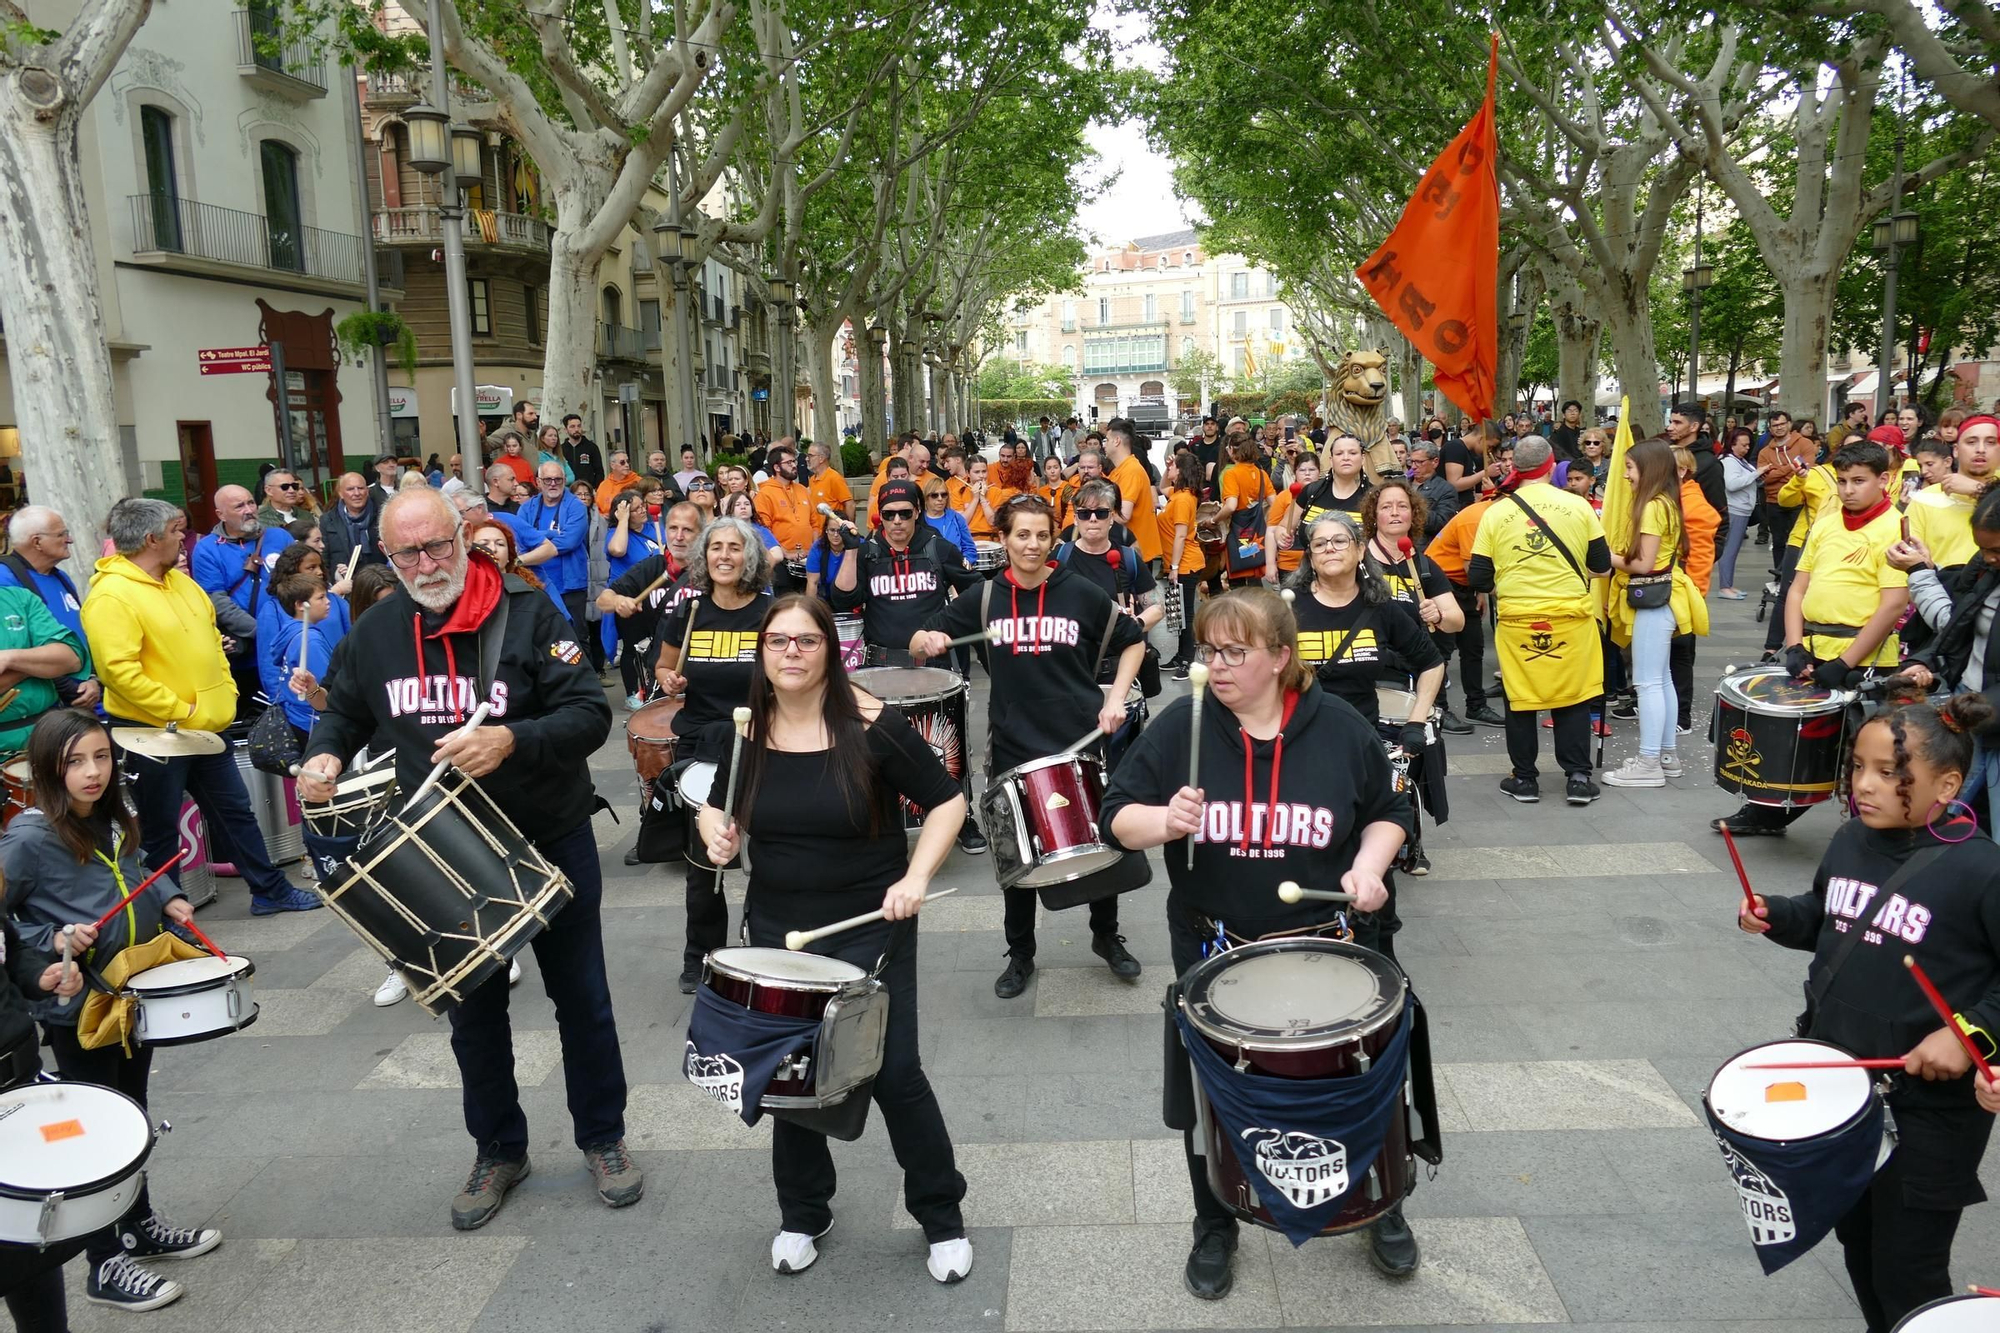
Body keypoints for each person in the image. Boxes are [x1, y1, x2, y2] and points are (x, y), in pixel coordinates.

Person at [296, 487, 638, 1230]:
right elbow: (345, 711)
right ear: (387, 557)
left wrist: (512, 738)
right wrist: (323, 757)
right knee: (471, 1011)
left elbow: (590, 712)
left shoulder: (530, 610)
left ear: (465, 535)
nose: (427, 563)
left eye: (439, 545)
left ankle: (603, 1137)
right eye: (408, 552)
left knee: (582, 997)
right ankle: (498, 1147)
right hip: (441, 850)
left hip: (546, 833)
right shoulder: (377, 629)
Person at [1100, 588, 1421, 1297]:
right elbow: (1115, 818)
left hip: (1331, 945)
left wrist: (1369, 867)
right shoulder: (1182, 725)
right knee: (1212, 1092)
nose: (1215, 664)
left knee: (1358, 1085)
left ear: (1280, 657)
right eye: (1209, 650)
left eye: (1234, 652)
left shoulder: (1338, 727)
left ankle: (1382, 1201)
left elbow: (1390, 811)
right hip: (1215, 949)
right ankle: (1215, 1219)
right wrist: (1163, 820)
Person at [694, 595, 972, 1282]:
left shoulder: (876, 724)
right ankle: (803, 1212)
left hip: (870, 922)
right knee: (792, 1077)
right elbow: (712, 802)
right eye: (778, 640)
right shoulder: (743, 728)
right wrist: (714, 830)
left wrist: (914, 875)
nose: (791, 652)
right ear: (762, 652)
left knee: (893, 1073)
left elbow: (947, 800)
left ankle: (941, 1214)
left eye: (806, 641)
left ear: (830, 651)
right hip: (778, 932)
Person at [1737, 693, 2000, 1330]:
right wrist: (1779, 914)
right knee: (1858, 1241)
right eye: (1858, 767)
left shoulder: (1982, 869)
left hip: (1931, 1110)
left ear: (1947, 785)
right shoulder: (1853, 840)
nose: (1864, 786)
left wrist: (1968, 1034)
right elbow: (1829, 917)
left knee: (1908, 1266)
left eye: (1889, 772)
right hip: (1846, 1089)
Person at [4, 709, 223, 1311]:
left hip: (130, 989)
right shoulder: (27, 837)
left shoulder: (107, 817)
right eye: (75, 762)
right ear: (49, 768)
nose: (92, 772)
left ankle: (138, 1226)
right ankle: (104, 1265)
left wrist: (171, 896)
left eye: (101, 757)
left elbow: (135, 874)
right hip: (79, 1007)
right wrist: (52, 938)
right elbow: (7, 924)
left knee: (133, 1116)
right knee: (99, 1137)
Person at [910, 494, 1146, 999]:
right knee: (1016, 861)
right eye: (1022, 534)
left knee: (1102, 845)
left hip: (1080, 740)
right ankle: (1020, 956)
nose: (1032, 544)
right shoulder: (985, 598)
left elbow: (1133, 639)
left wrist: (1116, 700)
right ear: (1003, 539)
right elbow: (920, 640)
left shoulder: (1079, 592)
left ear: (1052, 538)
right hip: (1013, 744)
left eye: (1041, 534)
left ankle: (1106, 937)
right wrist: (926, 641)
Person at [83, 498, 320, 913]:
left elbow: (212, 639)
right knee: (160, 830)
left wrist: (225, 692)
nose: (184, 540)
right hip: (154, 733)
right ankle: (165, 915)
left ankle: (270, 891)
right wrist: (183, 710)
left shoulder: (181, 582)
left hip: (205, 727)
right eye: (177, 531)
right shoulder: (112, 596)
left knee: (235, 813)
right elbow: (118, 671)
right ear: (151, 538)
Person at [1720, 441, 1910, 836]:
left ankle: (1874, 830)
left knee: (1867, 751)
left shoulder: (1896, 527)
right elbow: (1796, 590)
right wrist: (1794, 645)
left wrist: (1847, 662)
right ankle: (1768, 811)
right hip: (1813, 648)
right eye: (1842, 481)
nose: (1848, 489)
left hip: (1867, 659)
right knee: (1795, 740)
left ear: (1885, 480)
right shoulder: (1825, 523)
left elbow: (1892, 606)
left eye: (1859, 481)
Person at [653, 516, 775, 992]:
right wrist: (669, 679)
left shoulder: (771, 613)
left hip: (762, 741)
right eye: (715, 547)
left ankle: (768, 945)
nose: (724, 555)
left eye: (734, 547)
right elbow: (664, 665)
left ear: (750, 557)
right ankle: (700, 954)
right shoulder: (688, 613)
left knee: (769, 852)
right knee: (705, 862)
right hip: (702, 744)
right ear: (704, 557)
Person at [1468, 436, 1611, 806]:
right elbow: (1600, 565)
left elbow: (1479, 577)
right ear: (1551, 466)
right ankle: (1578, 778)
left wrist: (1511, 585)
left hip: (1518, 619)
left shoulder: (1496, 512)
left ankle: (1525, 779)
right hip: (1571, 618)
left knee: (1521, 698)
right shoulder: (1578, 507)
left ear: (1516, 466)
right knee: (1574, 696)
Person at [1601, 439, 1689, 789]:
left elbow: (1643, 564)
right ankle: (1665, 755)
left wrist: (1606, 556)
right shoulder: (1667, 502)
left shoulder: (1653, 507)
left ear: (1648, 470)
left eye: (1630, 469)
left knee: (1647, 682)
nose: (1626, 476)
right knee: (1661, 678)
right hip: (1665, 596)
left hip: (1652, 597)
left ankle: (1650, 761)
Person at [0, 504, 99, 709]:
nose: (69, 539)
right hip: (45, 705)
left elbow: (81, 635)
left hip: (80, 695)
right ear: (37, 542)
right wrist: (69, 690)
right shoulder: (6, 579)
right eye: (62, 534)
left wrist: (92, 679)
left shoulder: (60, 577)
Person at [519, 460, 591, 647]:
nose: (553, 483)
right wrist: (552, 534)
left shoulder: (576, 506)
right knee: (542, 638)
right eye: (548, 479)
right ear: (538, 482)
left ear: (565, 480)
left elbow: (569, 542)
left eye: (558, 479)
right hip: (537, 583)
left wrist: (536, 538)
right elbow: (519, 541)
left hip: (570, 586)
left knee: (575, 637)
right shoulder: (527, 508)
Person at [1159, 449, 1204, 677]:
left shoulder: (1184, 499)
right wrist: (1168, 466)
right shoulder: (1178, 494)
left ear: (1182, 471)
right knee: (1178, 612)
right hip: (1179, 563)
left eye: (1173, 466)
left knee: (1185, 614)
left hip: (1186, 564)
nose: (1169, 469)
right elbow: (1160, 487)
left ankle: (1187, 660)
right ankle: (1180, 656)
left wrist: (1174, 568)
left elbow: (1180, 535)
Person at [754, 441, 814, 593]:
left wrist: (814, 550)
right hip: (783, 563)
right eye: (789, 462)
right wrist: (785, 553)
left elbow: (815, 523)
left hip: (809, 560)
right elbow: (763, 531)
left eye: (794, 461)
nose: (794, 465)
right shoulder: (765, 494)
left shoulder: (802, 490)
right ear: (776, 467)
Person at [1717, 428, 1768, 599]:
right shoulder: (1729, 462)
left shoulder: (1739, 461)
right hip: (1735, 510)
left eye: (1748, 445)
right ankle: (1725, 587)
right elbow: (1732, 484)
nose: (1747, 448)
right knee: (1730, 549)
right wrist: (1757, 473)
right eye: (1743, 445)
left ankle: (1728, 585)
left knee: (1733, 548)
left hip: (1742, 509)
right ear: (1732, 444)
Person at [1104, 420, 1163, 567]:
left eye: (1107, 440)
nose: (1104, 445)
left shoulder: (1131, 471)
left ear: (1117, 441)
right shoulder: (1120, 470)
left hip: (1134, 553)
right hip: (1127, 550)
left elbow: (1123, 515)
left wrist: (1095, 516)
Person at [920, 477, 976, 564]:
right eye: (935, 495)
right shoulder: (919, 520)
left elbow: (969, 547)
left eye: (944, 495)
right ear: (926, 498)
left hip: (955, 568)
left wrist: (965, 565)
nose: (940, 499)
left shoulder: (957, 518)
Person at [803, 441, 852, 535]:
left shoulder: (834, 478)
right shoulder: (812, 479)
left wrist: (847, 529)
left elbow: (850, 505)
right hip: (818, 534)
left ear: (821, 458)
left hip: (833, 535)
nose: (806, 459)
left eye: (810, 456)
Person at [560, 413, 605, 487]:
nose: (576, 429)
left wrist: (596, 489)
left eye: (579, 426)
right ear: (565, 430)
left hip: (588, 490)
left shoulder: (591, 447)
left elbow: (599, 472)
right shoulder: (561, 449)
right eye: (572, 427)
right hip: (568, 490)